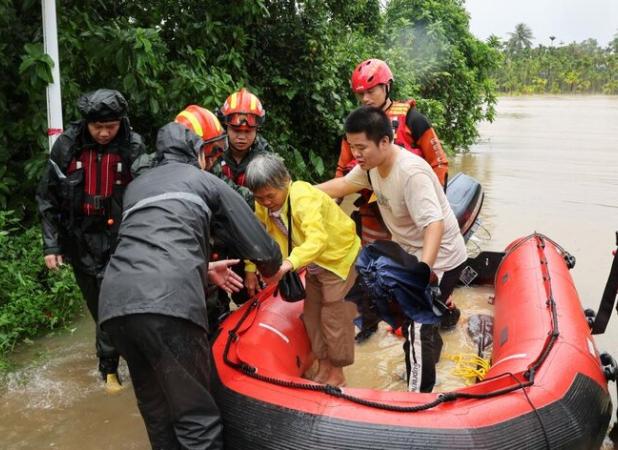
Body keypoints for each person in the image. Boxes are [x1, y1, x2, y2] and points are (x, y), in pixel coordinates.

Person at [98, 122, 281, 449]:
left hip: (114, 307)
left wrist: (202, 269)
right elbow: (262, 249)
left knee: (157, 412)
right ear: (198, 153)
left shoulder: (136, 187)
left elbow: (145, 248)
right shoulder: (205, 180)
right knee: (197, 417)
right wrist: (275, 271)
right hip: (168, 306)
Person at [317, 106, 467, 392]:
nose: (356, 155)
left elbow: (433, 225)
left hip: (441, 258)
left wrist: (423, 273)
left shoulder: (411, 174)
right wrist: (299, 191)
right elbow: (341, 186)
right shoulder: (370, 169)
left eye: (361, 147)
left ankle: (418, 397)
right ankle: (440, 325)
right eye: (352, 147)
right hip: (410, 253)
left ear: (384, 142)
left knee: (416, 324)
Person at [336, 58, 453, 341]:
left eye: (372, 91)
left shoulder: (413, 119)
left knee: (414, 273)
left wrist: (425, 208)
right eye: (360, 93)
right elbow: (343, 170)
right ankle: (369, 322)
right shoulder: (358, 127)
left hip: (409, 212)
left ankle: (432, 315)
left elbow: (439, 164)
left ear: (387, 87)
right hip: (375, 211)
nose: (365, 98)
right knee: (368, 270)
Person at [36, 89, 145, 391]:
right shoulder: (67, 146)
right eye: (98, 127)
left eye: (110, 126)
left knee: (118, 298)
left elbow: (149, 190)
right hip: (80, 236)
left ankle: (109, 367)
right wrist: (52, 245)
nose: (104, 133)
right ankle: (113, 356)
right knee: (98, 304)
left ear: (120, 122)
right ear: (86, 123)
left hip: (121, 236)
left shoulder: (132, 146)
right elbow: (47, 197)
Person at [245, 153, 361, 387]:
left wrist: (287, 264)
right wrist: (250, 269)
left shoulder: (303, 198)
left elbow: (317, 240)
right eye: (260, 198)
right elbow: (258, 237)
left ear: (285, 181)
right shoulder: (262, 204)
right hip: (313, 264)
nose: (266, 202)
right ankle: (324, 366)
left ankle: (338, 374)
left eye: (270, 196)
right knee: (311, 315)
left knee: (333, 316)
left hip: (339, 259)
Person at [211, 88, 273, 306]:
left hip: (248, 241)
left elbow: (267, 213)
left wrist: (252, 266)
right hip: (214, 241)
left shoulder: (266, 160)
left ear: (257, 130)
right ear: (225, 126)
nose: (241, 136)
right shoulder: (211, 153)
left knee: (254, 301)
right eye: (235, 129)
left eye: (248, 131)